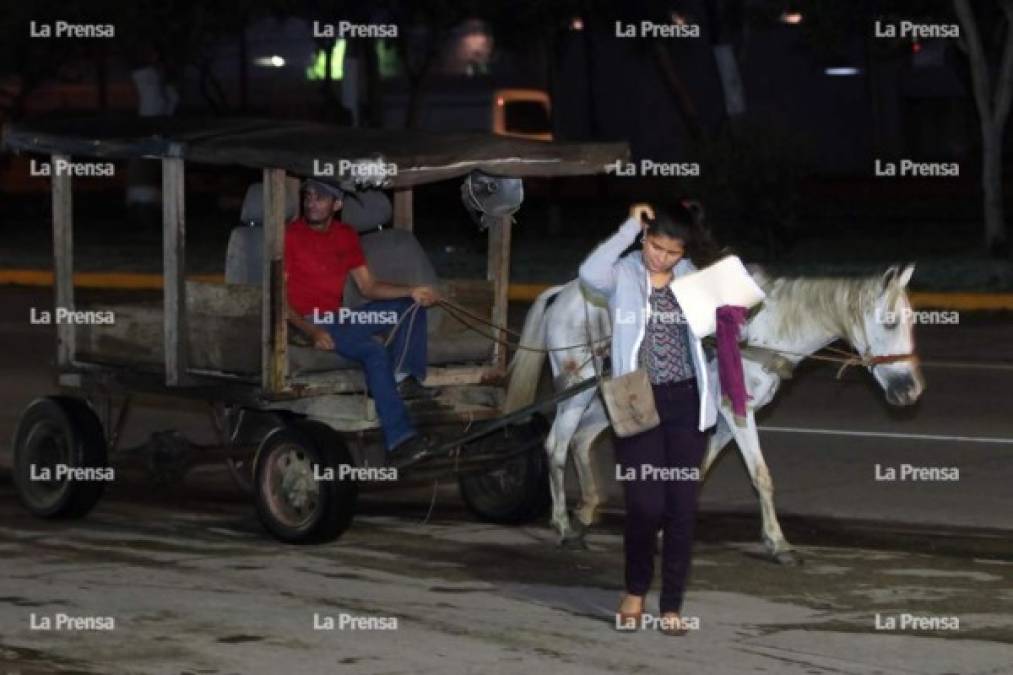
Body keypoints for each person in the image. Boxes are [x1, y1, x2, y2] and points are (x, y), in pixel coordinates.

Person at [578, 200, 720, 636]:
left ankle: (672, 604)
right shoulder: (623, 274)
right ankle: (635, 589)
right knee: (645, 504)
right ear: (646, 238)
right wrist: (627, 227)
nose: (660, 257)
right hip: (635, 398)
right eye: (655, 246)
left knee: (681, 507)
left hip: (687, 403)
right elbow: (588, 274)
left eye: (671, 252)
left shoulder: (696, 278)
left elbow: (730, 329)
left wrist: (731, 316)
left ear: (684, 252)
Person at [285, 179, 443, 466]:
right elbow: (277, 300)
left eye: (320, 198)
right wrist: (310, 331)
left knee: (410, 306)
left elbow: (368, 288)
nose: (311, 203)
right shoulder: (289, 236)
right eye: (308, 196)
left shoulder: (345, 235)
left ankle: (403, 377)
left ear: (337, 204)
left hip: (342, 319)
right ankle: (399, 441)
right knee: (374, 351)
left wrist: (411, 291)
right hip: (312, 322)